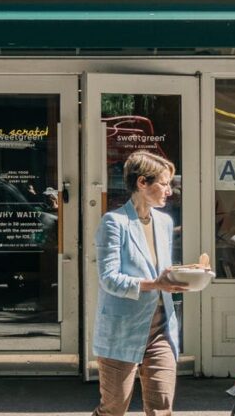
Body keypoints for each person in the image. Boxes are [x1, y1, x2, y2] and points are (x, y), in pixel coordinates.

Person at [92, 150, 187, 416]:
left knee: (161, 408)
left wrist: (181, 278)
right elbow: (109, 279)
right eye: (164, 183)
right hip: (122, 330)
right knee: (113, 408)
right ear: (142, 183)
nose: (169, 190)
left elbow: (159, 271)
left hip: (161, 330)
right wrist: (156, 285)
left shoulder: (165, 222)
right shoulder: (114, 223)